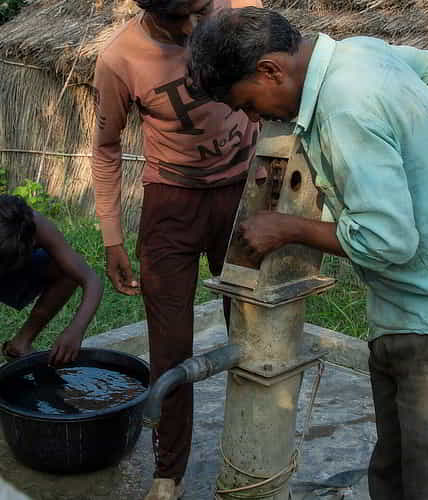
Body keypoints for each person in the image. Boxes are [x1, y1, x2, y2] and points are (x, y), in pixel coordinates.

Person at [186, 7, 428, 500]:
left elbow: (388, 242)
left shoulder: (345, 108)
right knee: (393, 474)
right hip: (407, 310)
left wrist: (288, 227)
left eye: (249, 104)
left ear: (271, 70)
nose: (254, 119)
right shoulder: (361, 52)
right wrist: (403, 151)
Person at [91, 0, 261, 497]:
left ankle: (255, 447)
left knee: (255, 331)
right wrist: (112, 237)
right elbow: (105, 147)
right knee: (170, 346)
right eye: (176, 18)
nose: (193, 27)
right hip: (171, 205)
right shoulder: (121, 59)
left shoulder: (243, 11)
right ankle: (169, 473)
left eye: (201, 9)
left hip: (243, 194)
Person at [0, 194, 104, 398]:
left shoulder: (36, 227)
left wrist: (75, 330)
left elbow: (91, 279)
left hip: (7, 267)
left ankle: (20, 344)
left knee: (65, 270)